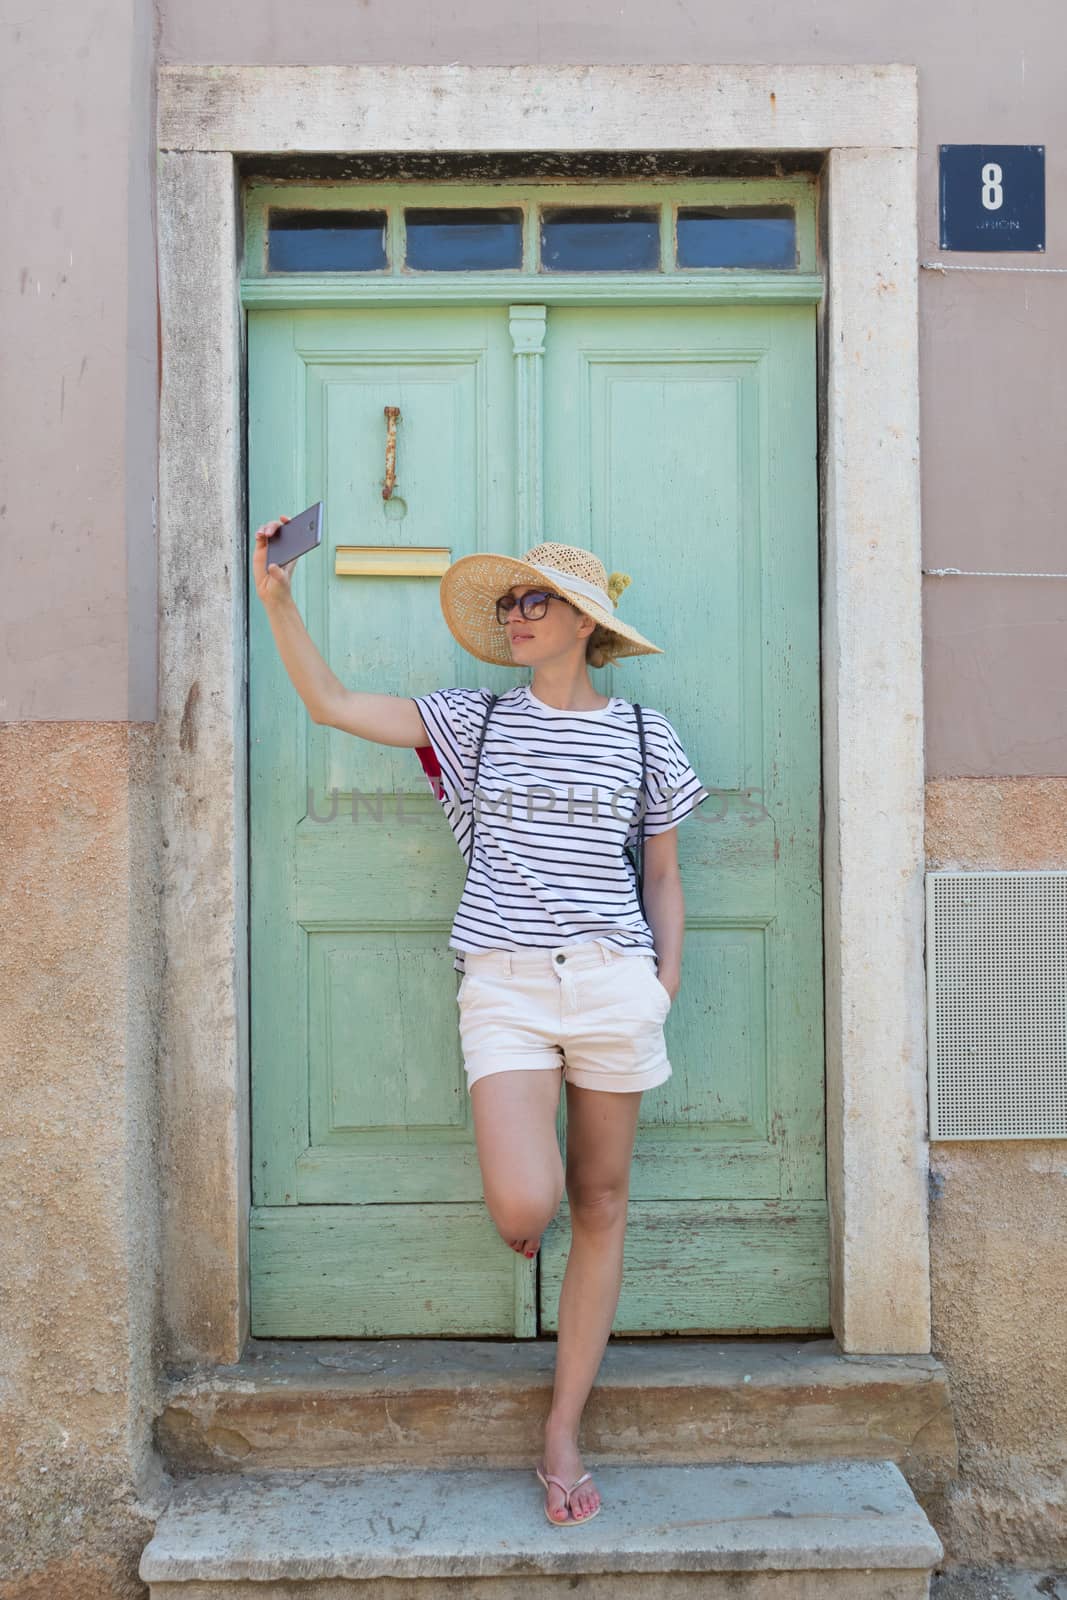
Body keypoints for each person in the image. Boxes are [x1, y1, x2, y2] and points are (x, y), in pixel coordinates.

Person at [253, 521, 709, 1527]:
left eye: (531, 601)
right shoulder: (474, 722)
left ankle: (561, 1426)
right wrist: (279, 599)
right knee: (524, 1207)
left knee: (600, 1204)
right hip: (502, 984)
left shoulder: (645, 735)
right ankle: (526, 1226)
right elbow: (331, 704)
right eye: (506, 602)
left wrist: (660, 980)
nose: (513, 615)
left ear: (584, 623)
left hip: (612, 984)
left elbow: (664, 875)